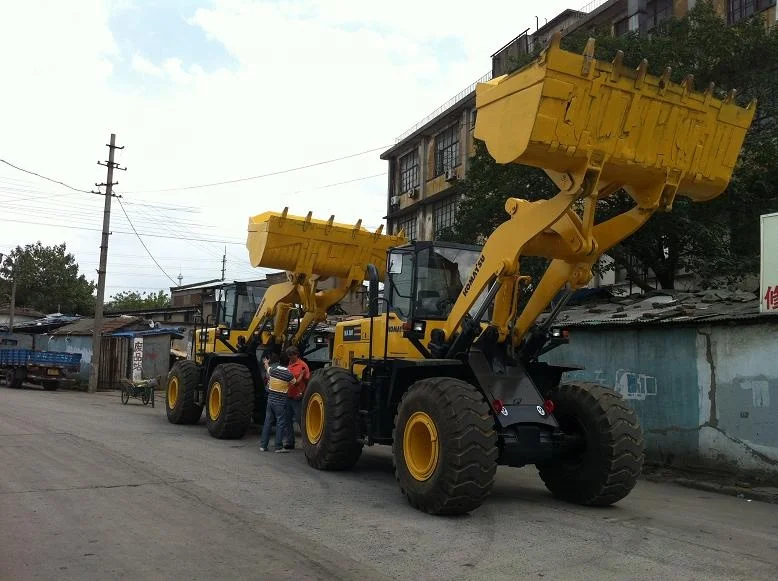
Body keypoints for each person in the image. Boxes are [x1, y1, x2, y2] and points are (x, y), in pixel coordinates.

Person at [259, 352, 296, 453]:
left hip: (270, 400)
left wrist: (266, 362)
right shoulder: (288, 374)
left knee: (267, 422)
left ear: (279, 361)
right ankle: (278, 447)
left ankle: (263, 446)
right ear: (288, 362)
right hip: (280, 402)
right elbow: (295, 382)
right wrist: (301, 375)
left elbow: (267, 367)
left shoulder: (273, 370)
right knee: (280, 423)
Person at [284, 345, 310, 450]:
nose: (290, 358)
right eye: (288, 356)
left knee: (300, 420)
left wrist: (303, 393)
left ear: (296, 354)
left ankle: (307, 443)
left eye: (291, 356)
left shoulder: (303, 366)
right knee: (287, 420)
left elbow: (307, 381)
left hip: (297, 398)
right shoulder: (289, 365)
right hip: (288, 396)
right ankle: (290, 442)